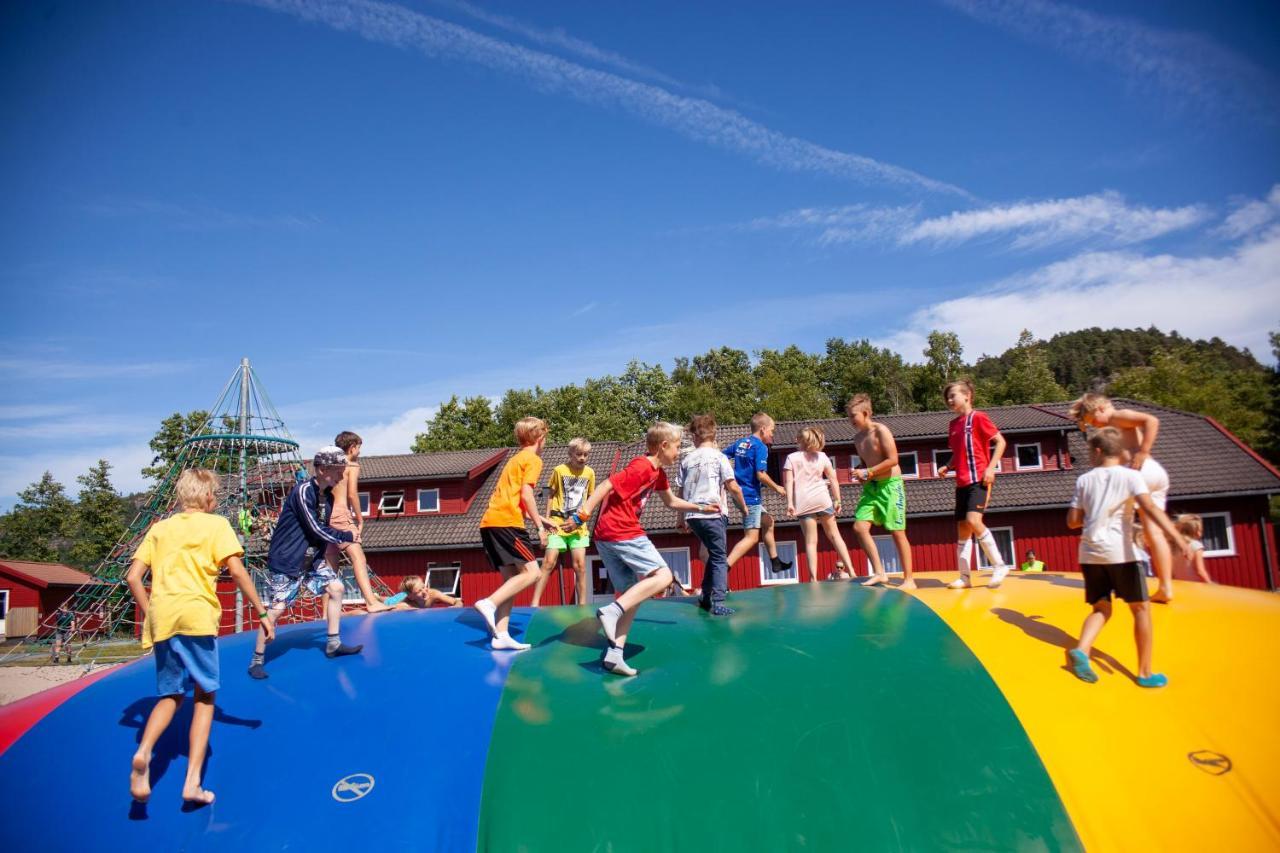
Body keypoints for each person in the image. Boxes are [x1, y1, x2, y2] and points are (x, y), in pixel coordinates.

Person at [125, 469, 273, 805]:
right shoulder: (216, 525)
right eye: (215, 495)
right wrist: (262, 612)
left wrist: (151, 613)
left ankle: (145, 751)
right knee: (205, 697)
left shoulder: (159, 529)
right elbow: (236, 570)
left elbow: (134, 577)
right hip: (196, 616)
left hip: (163, 617)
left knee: (170, 695)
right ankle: (192, 783)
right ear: (208, 497)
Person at [570, 422, 716, 676]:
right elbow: (606, 486)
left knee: (630, 596)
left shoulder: (658, 474)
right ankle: (610, 610)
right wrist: (581, 516)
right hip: (622, 530)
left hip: (606, 537)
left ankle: (615, 654)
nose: (679, 451)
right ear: (663, 446)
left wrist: (701, 508)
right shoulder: (642, 466)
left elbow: (671, 502)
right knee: (663, 576)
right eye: (677, 447)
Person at [1065, 428, 1189, 687]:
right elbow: (1150, 508)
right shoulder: (1131, 477)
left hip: (1089, 553)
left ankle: (1082, 650)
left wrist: (1094, 513)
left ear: (1098, 451)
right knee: (1141, 609)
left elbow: (1073, 522)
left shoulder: (1084, 480)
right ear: (1118, 451)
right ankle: (1144, 673)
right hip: (1120, 553)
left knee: (1101, 607)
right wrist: (1176, 538)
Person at [248, 447, 363, 680]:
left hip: (311, 559)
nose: (341, 477)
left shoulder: (328, 496)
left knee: (337, 588)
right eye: (337, 472)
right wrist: (347, 536)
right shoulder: (303, 492)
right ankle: (257, 659)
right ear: (322, 470)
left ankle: (333, 643)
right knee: (277, 609)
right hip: (288, 559)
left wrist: (339, 536)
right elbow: (316, 528)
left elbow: (323, 529)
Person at [1069, 393, 1173, 603]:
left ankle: (1123, 576)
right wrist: (1083, 423)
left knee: (1114, 522)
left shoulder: (1117, 416)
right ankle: (1165, 587)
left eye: (1094, 420)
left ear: (1100, 408)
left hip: (1140, 472)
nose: (1095, 425)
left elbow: (1151, 420)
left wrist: (1143, 451)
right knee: (1153, 532)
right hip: (1154, 473)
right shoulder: (1112, 425)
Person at [473, 417, 560, 650]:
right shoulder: (533, 459)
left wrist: (541, 519)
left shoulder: (514, 459)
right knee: (533, 573)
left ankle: (501, 635)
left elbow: (512, 498)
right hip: (508, 524)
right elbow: (526, 496)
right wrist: (540, 528)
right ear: (540, 438)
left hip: (491, 523)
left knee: (512, 580)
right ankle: (489, 603)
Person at [936, 380, 1009, 589]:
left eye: (953, 396)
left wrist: (991, 468)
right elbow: (958, 453)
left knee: (974, 520)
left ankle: (1000, 565)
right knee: (962, 529)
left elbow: (1001, 442)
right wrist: (947, 466)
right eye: (947, 398)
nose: (949, 400)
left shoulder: (979, 418)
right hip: (962, 483)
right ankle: (965, 577)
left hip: (979, 479)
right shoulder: (953, 425)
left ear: (967, 396)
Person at [676, 414, 748, 615]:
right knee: (719, 556)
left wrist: (680, 518)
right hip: (713, 513)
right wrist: (743, 507)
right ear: (713, 434)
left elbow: (680, 492)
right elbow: (732, 486)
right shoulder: (719, 457)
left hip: (693, 515)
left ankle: (706, 596)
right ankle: (717, 600)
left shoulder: (687, 459)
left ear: (695, 438)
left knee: (712, 552)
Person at [846, 395, 917, 590]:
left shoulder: (881, 430)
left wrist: (867, 471)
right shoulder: (857, 438)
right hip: (872, 487)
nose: (851, 421)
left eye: (853, 416)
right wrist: (861, 471)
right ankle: (879, 572)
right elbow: (868, 462)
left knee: (896, 532)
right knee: (859, 528)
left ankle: (909, 579)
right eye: (849, 417)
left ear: (866, 413)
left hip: (891, 486)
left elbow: (893, 460)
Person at [783, 425, 858, 586]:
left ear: (799, 440)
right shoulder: (822, 456)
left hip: (804, 501)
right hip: (822, 499)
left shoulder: (791, 458)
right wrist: (837, 500)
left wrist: (790, 503)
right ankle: (851, 570)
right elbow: (833, 479)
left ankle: (813, 578)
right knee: (835, 536)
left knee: (811, 541)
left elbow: (789, 482)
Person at [326, 431, 388, 611]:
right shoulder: (352, 466)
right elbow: (352, 494)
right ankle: (371, 602)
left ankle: (325, 614)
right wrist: (360, 519)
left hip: (326, 517)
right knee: (358, 557)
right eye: (359, 448)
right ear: (352, 447)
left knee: (330, 566)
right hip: (341, 515)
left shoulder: (329, 466)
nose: (359, 452)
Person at [724, 413, 793, 576]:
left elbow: (723, 456)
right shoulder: (760, 447)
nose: (772, 435)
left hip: (741, 494)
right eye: (772, 431)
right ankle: (724, 567)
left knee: (768, 521)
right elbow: (760, 475)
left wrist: (731, 476)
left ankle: (775, 562)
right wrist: (778, 488)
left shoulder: (742, 442)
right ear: (763, 429)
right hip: (750, 496)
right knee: (752, 537)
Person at [531, 437, 596, 607]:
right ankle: (535, 602)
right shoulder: (559, 470)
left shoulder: (590, 473)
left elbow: (591, 499)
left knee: (580, 565)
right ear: (570, 454)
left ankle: (582, 604)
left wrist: (584, 518)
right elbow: (550, 494)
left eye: (585, 455)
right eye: (578, 454)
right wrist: (546, 523)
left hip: (578, 526)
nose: (582, 458)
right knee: (549, 562)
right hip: (557, 523)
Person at [1171, 514, 1214, 584]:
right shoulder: (1196, 545)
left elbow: (1172, 571)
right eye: (1201, 530)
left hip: (1178, 585)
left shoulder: (1175, 546)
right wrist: (1210, 583)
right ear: (1197, 531)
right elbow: (1200, 571)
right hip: (1194, 585)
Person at [397, 575, 464, 608]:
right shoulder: (406, 602)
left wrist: (456, 606)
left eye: (423, 587)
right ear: (411, 597)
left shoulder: (433, 594)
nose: (424, 591)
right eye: (419, 591)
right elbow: (389, 606)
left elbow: (457, 601)